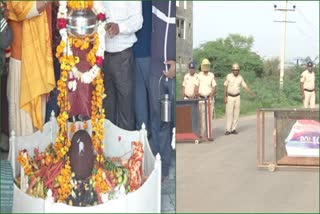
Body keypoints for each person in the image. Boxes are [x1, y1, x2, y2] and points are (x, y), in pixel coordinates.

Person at [7, 1, 55, 136]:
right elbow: (22, 10)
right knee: (23, 122)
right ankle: (22, 156)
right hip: (21, 61)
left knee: (38, 120)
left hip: (39, 58)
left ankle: (36, 155)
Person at [102, 2, 143, 131]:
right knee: (106, 106)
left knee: (126, 107)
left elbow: (138, 20)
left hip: (123, 54)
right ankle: (108, 146)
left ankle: (125, 148)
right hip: (102, 53)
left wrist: (120, 27)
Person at [149, 1, 175, 180]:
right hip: (154, 70)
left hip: (172, 74)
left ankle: (164, 167)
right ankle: (154, 164)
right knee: (155, 119)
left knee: (167, 123)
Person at [133, 1, 152, 131]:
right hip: (148, 52)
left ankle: (142, 134)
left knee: (140, 99)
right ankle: (149, 135)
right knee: (147, 99)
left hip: (136, 52)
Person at [224, 63, 255, 135]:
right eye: (234, 70)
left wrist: (252, 93)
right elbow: (225, 86)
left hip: (237, 97)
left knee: (236, 113)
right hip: (230, 97)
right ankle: (228, 129)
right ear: (232, 70)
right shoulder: (229, 76)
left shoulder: (240, 78)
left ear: (238, 70)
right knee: (229, 113)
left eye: (237, 70)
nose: (235, 71)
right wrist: (225, 96)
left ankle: (233, 129)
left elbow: (245, 86)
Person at [198, 58, 216, 139]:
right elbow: (196, 86)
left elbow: (213, 86)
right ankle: (202, 134)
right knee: (202, 118)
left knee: (209, 117)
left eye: (207, 66)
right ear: (202, 66)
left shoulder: (211, 75)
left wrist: (211, 96)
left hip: (209, 98)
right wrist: (195, 94)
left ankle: (209, 135)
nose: (205, 67)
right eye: (204, 65)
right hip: (201, 99)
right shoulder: (199, 75)